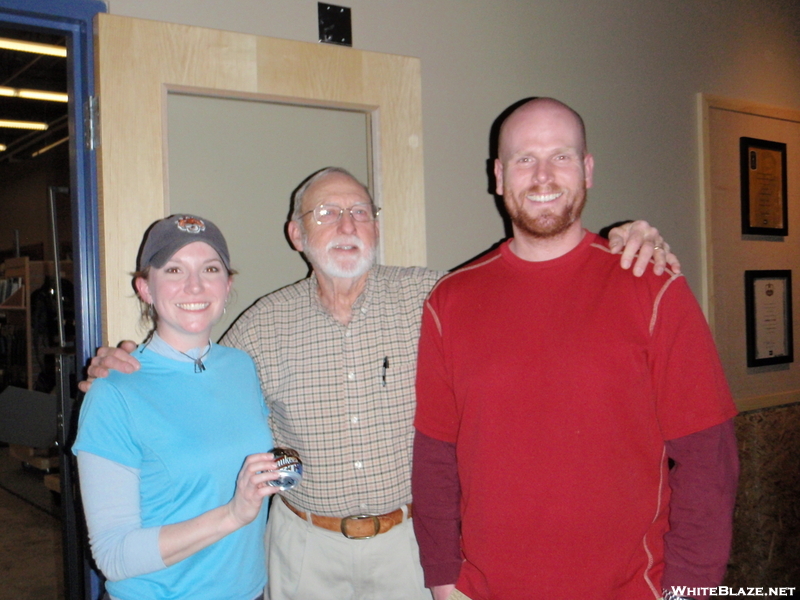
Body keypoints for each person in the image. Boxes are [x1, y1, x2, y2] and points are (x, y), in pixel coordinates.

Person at [82, 168, 680, 600]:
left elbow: (530, 282)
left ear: (375, 227)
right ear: (297, 234)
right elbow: (193, 370)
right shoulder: (258, 329)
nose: (345, 224)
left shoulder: (438, 296)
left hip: (409, 544)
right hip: (302, 550)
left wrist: (615, 240)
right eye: (326, 214)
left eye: (360, 212)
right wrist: (125, 359)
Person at [412, 98, 739, 600]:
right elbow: (436, 459)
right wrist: (441, 579)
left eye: (561, 156)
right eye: (524, 159)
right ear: (499, 176)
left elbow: (708, 462)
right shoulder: (450, 302)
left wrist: (690, 592)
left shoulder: (651, 286)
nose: (543, 176)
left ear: (586, 170)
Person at [73, 215, 282, 600]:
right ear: (145, 288)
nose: (195, 285)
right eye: (173, 269)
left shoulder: (241, 367)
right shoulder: (112, 393)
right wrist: (232, 515)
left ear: (227, 284)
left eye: (210, 268)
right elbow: (113, 556)